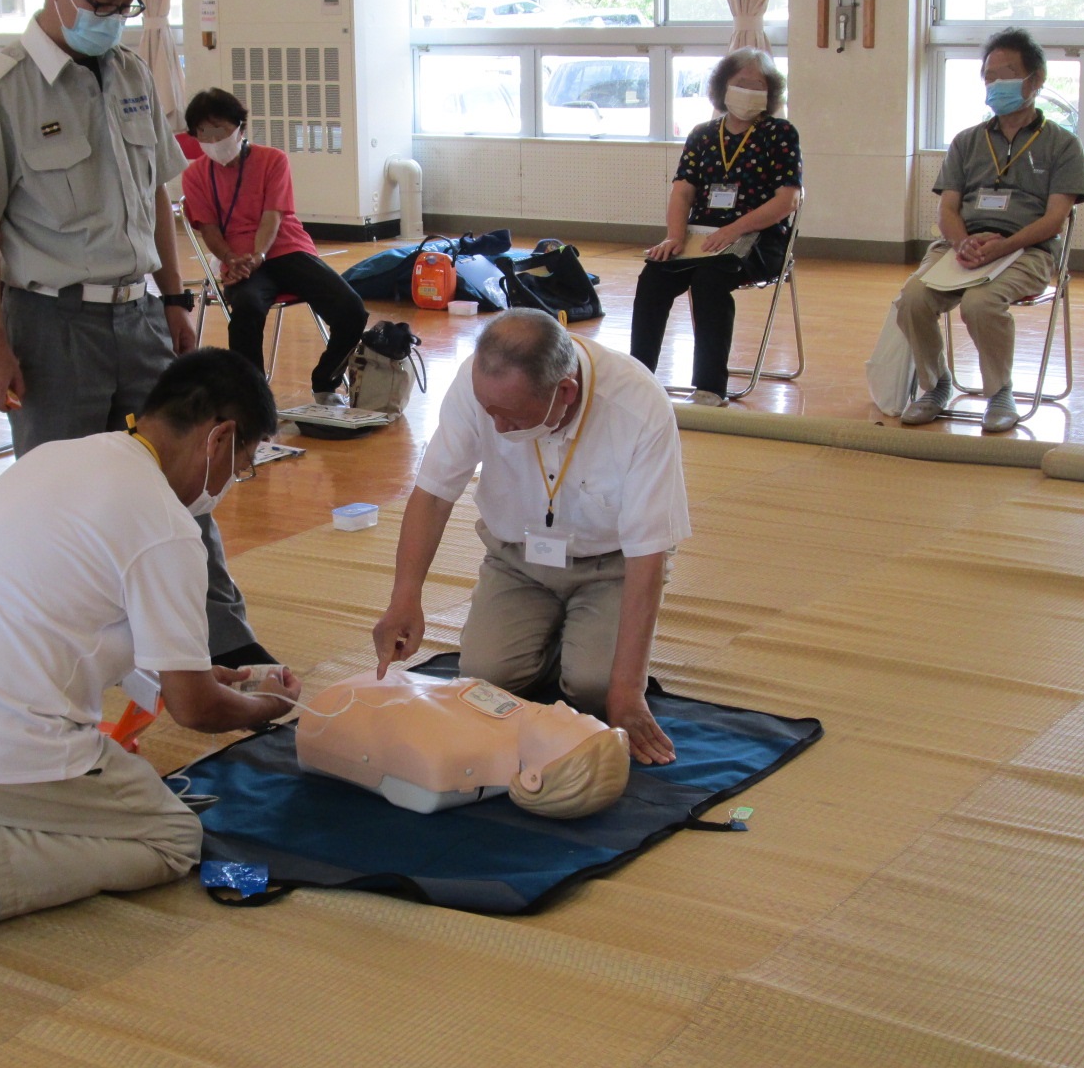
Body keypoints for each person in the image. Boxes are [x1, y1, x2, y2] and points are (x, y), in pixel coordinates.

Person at [0, 349, 301, 935]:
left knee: (81, 789)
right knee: (173, 836)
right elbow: (194, 709)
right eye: (244, 462)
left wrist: (204, 674)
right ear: (220, 437)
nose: (233, 482)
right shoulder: (166, 525)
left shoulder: (59, 456)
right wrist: (262, 710)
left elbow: (84, 620)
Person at [0, 0, 269, 666]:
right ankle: (55, 660)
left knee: (185, 487)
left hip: (141, 319)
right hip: (51, 325)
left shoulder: (126, 72)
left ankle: (223, 646)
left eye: (126, 6)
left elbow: (156, 195)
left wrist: (175, 296)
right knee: (61, 505)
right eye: (97, 4)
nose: (111, 20)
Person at [372, 310, 690, 767]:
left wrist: (628, 692)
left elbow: (647, 553)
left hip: (613, 568)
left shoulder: (638, 406)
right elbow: (434, 495)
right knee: (486, 677)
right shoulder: (478, 386)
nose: (498, 428)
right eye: (490, 413)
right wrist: (404, 598)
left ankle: (582, 641)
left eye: (512, 418)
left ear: (565, 392)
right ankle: (558, 635)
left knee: (597, 689)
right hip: (517, 561)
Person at [896, 28, 1084, 433]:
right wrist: (962, 241)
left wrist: (1004, 246)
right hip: (964, 246)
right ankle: (935, 385)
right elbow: (947, 207)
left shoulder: (1062, 144)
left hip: (1027, 249)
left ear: (1035, 80)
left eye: (1007, 74)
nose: (996, 84)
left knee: (980, 305)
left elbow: (1055, 219)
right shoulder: (967, 141)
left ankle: (999, 392)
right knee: (912, 297)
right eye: (989, 76)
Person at [629, 48, 802, 406]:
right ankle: (636, 376)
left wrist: (734, 229)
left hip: (760, 239)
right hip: (701, 237)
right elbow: (683, 191)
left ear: (770, 92)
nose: (750, 91)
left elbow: (787, 200)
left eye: (758, 85)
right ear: (723, 88)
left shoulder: (780, 133)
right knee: (654, 276)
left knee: (710, 280)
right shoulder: (703, 134)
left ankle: (710, 385)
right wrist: (675, 236)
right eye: (741, 83)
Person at [180, 88, 368, 403]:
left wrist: (259, 255)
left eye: (220, 130)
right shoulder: (196, 175)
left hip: (286, 248)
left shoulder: (272, 160)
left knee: (351, 310)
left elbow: (272, 217)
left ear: (240, 127)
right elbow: (209, 229)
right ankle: (253, 401)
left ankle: (326, 381)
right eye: (203, 133)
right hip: (238, 259)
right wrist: (230, 258)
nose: (212, 140)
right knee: (247, 311)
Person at [296, 668, 630, 818]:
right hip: (370, 691)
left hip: (333, 708)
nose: (560, 706)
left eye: (567, 721)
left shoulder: (443, 757)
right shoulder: (516, 722)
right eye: (575, 712)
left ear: (532, 777)